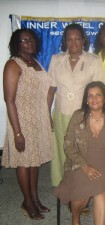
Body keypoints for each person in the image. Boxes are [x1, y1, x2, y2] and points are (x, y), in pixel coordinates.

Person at [54, 81, 105, 225]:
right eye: (90, 96)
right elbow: (68, 145)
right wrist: (84, 166)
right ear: (86, 100)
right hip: (79, 163)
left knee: (100, 192)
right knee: (81, 197)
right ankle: (75, 219)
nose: (94, 99)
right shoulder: (78, 116)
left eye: (98, 95)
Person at [2, 28, 53, 220]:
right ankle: (27, 202)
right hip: (22, 120)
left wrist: (46, 115)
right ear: (17, 44)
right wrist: (17, 133)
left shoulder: (35, 62)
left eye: (31, 39)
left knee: (34, 161)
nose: (28, 43)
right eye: (24, 40)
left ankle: (34, 198)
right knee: (24, 161)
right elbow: (9, 100)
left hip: (38, 119)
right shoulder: (13, 65)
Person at [48, 23, 105, 187]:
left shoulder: (93, 60)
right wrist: (47, 113)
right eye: (69, 39)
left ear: (83, 40)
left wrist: (97, 116)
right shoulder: (56, 59)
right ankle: (64, 186)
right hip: (61, 113)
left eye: (77, 39)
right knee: (62, 151)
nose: (73, 43)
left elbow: (99, 90)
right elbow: (51, 89)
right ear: (65, 41)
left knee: (83, 152)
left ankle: (81, 189)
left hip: (84, 115)